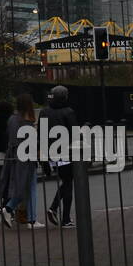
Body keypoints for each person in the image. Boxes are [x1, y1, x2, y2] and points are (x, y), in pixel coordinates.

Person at [0, 93, 43, 228]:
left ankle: (9, 209)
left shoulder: (12, 119)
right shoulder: (27, 122)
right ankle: (31, 219)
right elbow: (33, 142)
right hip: (27, 158)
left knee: (23, 187)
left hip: (14, 157)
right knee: (31, 187)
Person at [41, 85, 78, 227]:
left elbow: (41, 135)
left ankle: (57, 210)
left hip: (51, 153)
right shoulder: (68, 112)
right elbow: (75, 135)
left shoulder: (44, 112)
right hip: (65, 152)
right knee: (68, 183)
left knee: (66, 181)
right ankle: (62, 215)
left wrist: (44, 158)